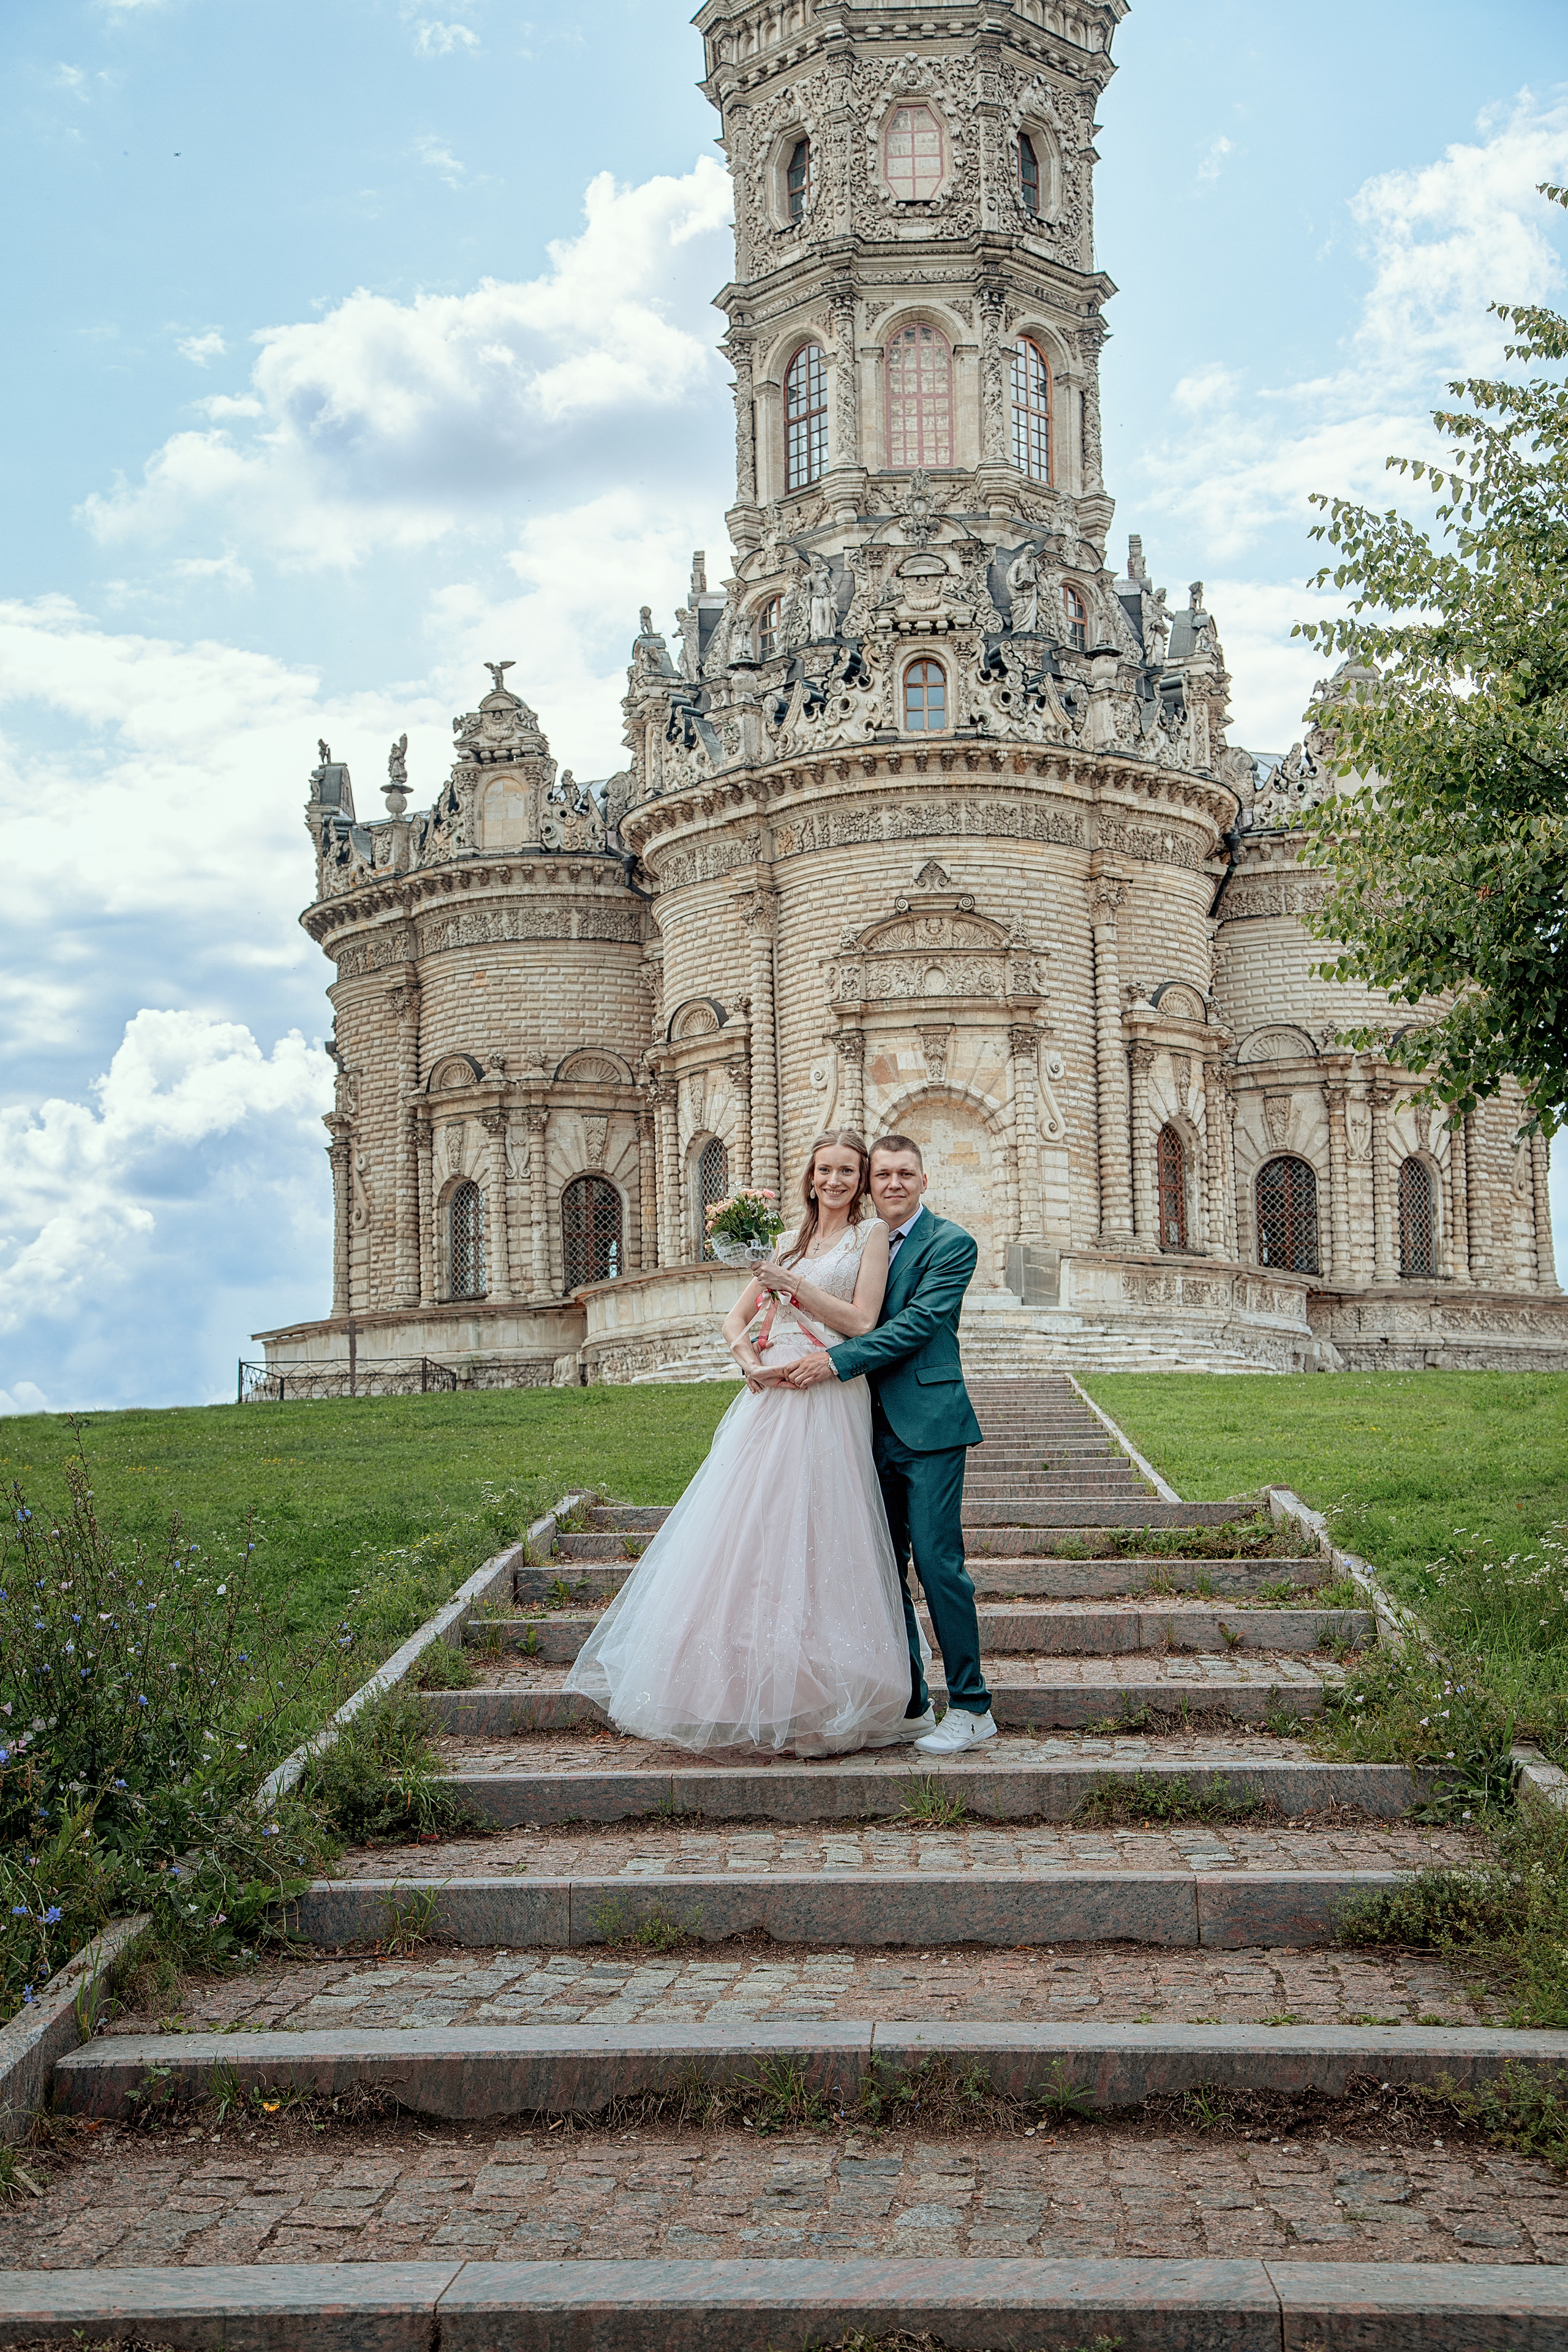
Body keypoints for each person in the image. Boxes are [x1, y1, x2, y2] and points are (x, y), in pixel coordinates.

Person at [562, 1130, 922, 1757]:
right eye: (824, 1170)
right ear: (809, 1178)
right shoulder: (785, 1240)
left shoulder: (869, 1238)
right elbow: (736, 1319)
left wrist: (794, 1286)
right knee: (753, 1526)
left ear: (860, 1181)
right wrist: (748, 1362)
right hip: (773, 1387)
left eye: (846, 1171)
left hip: (829, 1387)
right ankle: (740, 1684)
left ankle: (823, 1685)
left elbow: (863, 1322)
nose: (834, 1181)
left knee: (821, 1525)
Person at [781, 1135, 995, 1756]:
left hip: (927, 1425)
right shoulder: (859, 1241)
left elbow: (917, 1325)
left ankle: (973, 1706)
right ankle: (908, 1701)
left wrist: (833, 1363)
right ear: (870, 1184)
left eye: (906, 1174)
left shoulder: (950, 1243)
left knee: (936, 1564)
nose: (893, 1184)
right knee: (879, 1569)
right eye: (884, 1175)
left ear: (924, 1181)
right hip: (857, 1425)